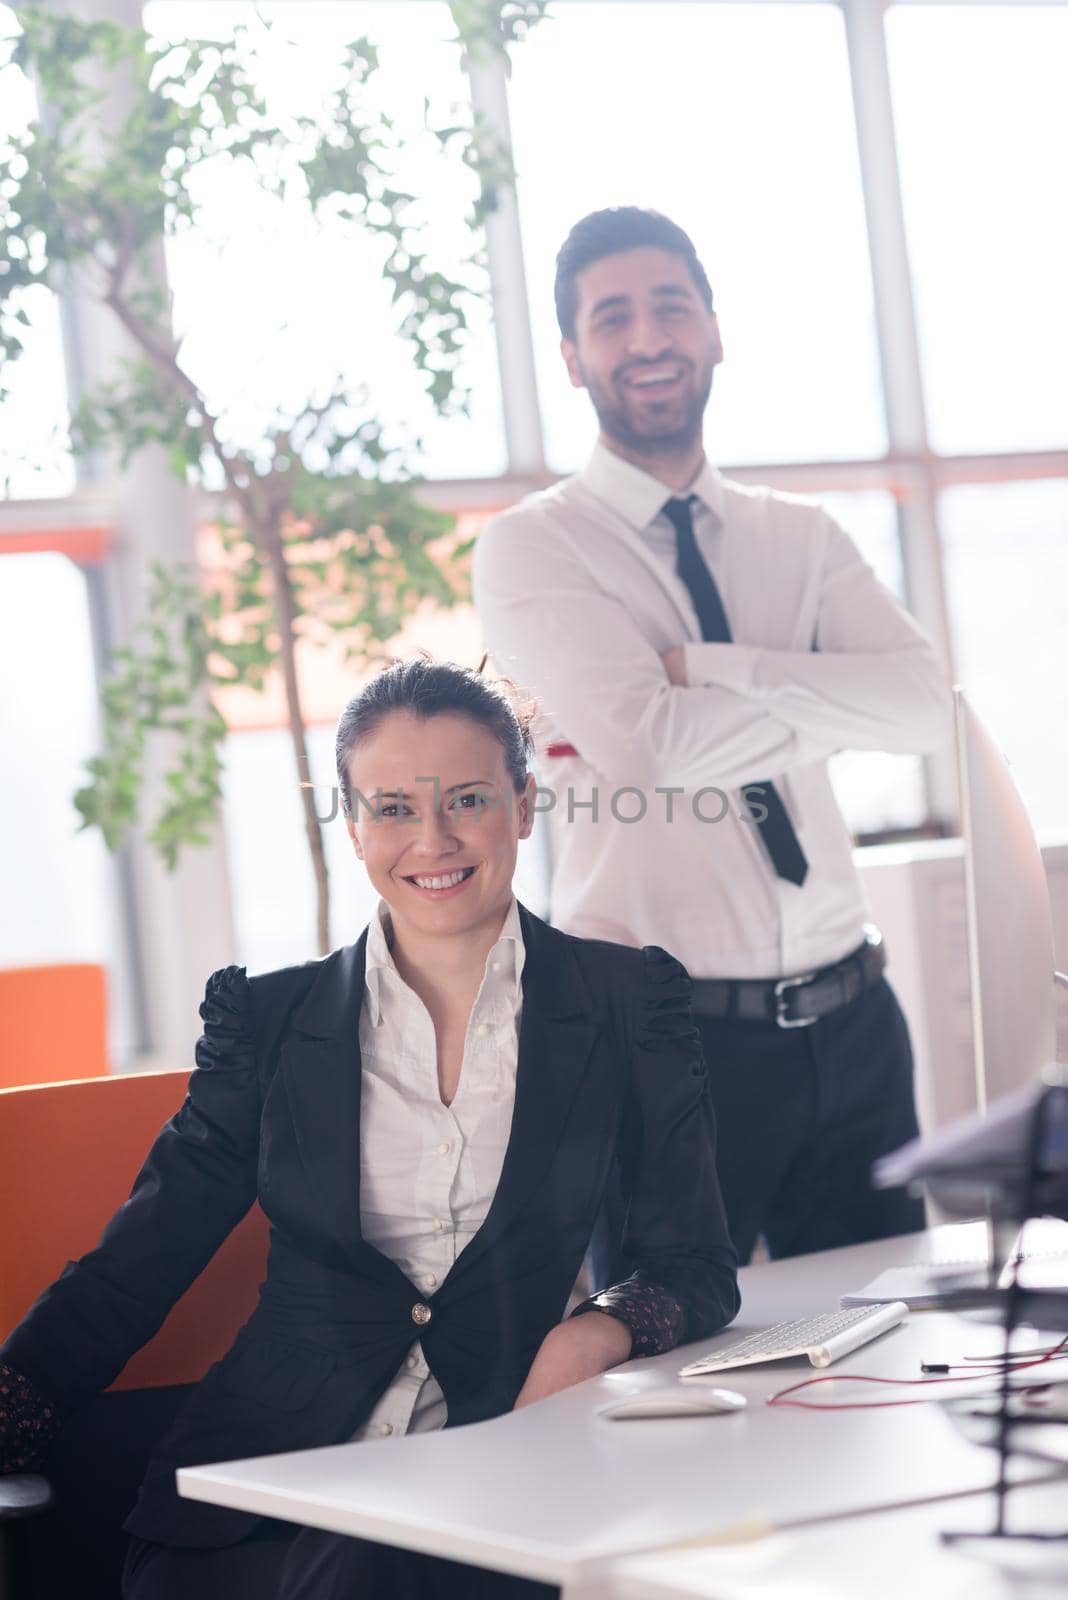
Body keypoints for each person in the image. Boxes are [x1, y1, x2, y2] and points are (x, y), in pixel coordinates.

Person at [0, 658, 739, 1600]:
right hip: (255, 1499)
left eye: (466, 798)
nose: (431, 839)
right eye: (391, 807)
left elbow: (694, 1264)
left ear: (522, 803)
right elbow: (141, 1258)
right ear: (353, 827)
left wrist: (590, 1335)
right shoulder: (268, 1023)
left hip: (494, 1481)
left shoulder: (627, 1004)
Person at [473, 206, 953, 1268]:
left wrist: (719, 670)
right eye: (612, 318)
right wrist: (825, 701)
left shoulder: (802, 537)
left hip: (857, 1022)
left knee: (885, 1355)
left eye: (671, 307)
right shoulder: (532, 549)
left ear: (715, 330)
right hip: (661, 1041)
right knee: (664, 1378)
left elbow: (926, 707)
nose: (647, 338)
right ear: (571, 356)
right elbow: (648, 746)